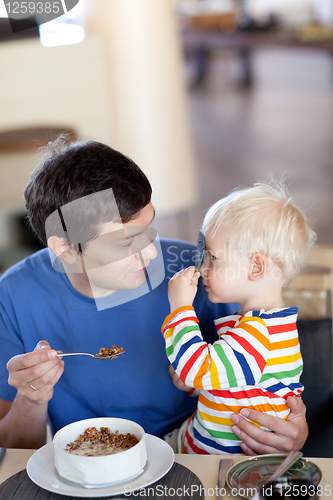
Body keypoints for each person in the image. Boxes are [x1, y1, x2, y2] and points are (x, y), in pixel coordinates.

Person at [0, 138, 308, 452]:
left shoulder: (205, 273)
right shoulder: (14, 295)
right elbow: (11, 448)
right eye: (126, 243)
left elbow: (271, 376)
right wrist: (31, 397)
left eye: (149, 229)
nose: (150, 253)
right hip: (90, 469)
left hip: (193, 459)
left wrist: (294, 432)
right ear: (65, 249)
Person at [162, 180, 316, 454]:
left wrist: (180, 309)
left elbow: (196, 369)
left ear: (256, 267)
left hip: (216, 462)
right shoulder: (264, 325)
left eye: (212, 258)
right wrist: (198, 385)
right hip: (198, 440)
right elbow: (244, 386)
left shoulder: (257, 332)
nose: (202, 267)